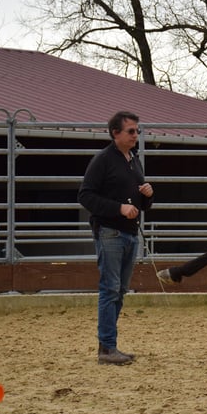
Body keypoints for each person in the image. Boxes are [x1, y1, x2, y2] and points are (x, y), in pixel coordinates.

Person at [78, 111, 154, 365]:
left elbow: (142, 203)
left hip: (130, 233)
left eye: (137, 131)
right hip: (110, 232)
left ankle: (109, 345)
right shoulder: (103, 160)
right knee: (110, 289)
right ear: (115, 133)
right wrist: (119, 208)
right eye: (131, 131)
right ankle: (107, 347)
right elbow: (85, 196)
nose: (135, 135)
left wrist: (148, 195)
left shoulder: (134, 160)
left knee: (119, 291)